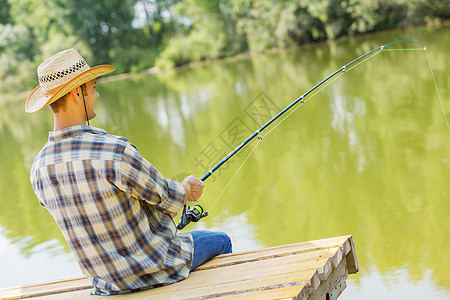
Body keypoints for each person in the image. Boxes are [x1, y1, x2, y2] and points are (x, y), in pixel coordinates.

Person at [26, 48, 232, 295]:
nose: (97, 94)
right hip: (159, 268)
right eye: (92, 87)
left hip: (107, 284)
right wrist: (186, 189)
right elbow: (165, 196)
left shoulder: (38, 169)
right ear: (75, 93)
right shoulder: (114, 151)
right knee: (222, 241)